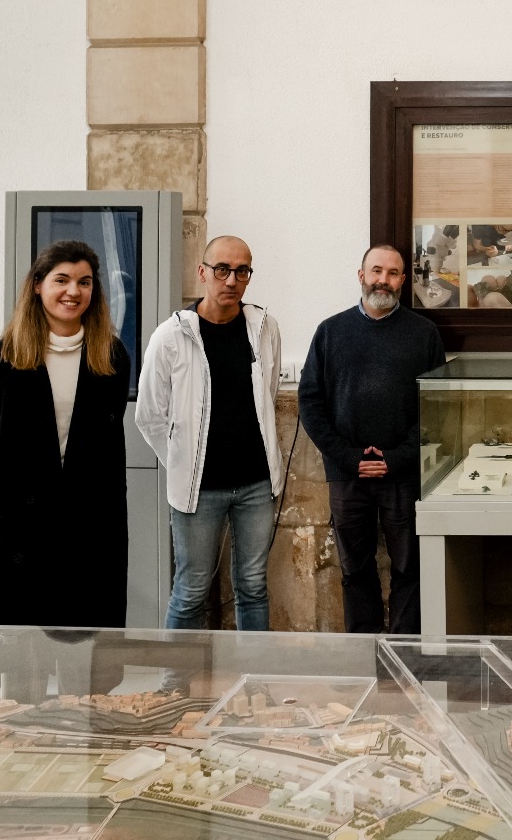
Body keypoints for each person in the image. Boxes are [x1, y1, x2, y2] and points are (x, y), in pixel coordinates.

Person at [0, 240, 131, 626]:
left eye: (84, 282)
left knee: (84, 647)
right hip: (21, 529)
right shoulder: (0, 362)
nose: (74, 292)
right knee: (21, 655)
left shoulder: (112, 358)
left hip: (88, 527)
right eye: (62, 279)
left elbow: (103, 441)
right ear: (38, 285)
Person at [299, 246, 447, 634]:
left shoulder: (424, 334)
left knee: (409, 569)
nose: (384, 279)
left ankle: (404, 659)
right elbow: (310, 404)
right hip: (348, 476)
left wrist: (398, 458)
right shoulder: (330, 332)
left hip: (403, 474)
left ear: (402, 281)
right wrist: (349, 458)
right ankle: (365, 656)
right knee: (355, 570)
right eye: (376, 270)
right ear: (361, 275)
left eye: (393, 273)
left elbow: (438, 408)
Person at [136, 236, 282, 630]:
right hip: (199, 488)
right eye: (222, 269)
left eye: (242, 271)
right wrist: (183, 461)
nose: (231, 280)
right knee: (192, 589)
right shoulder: (171, 336)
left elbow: (266, 396)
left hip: (255, 484)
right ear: (202, 273)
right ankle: (174, 687)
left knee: (253, 586)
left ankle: (253, 685)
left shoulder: (264, 328)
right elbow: (149, 414)